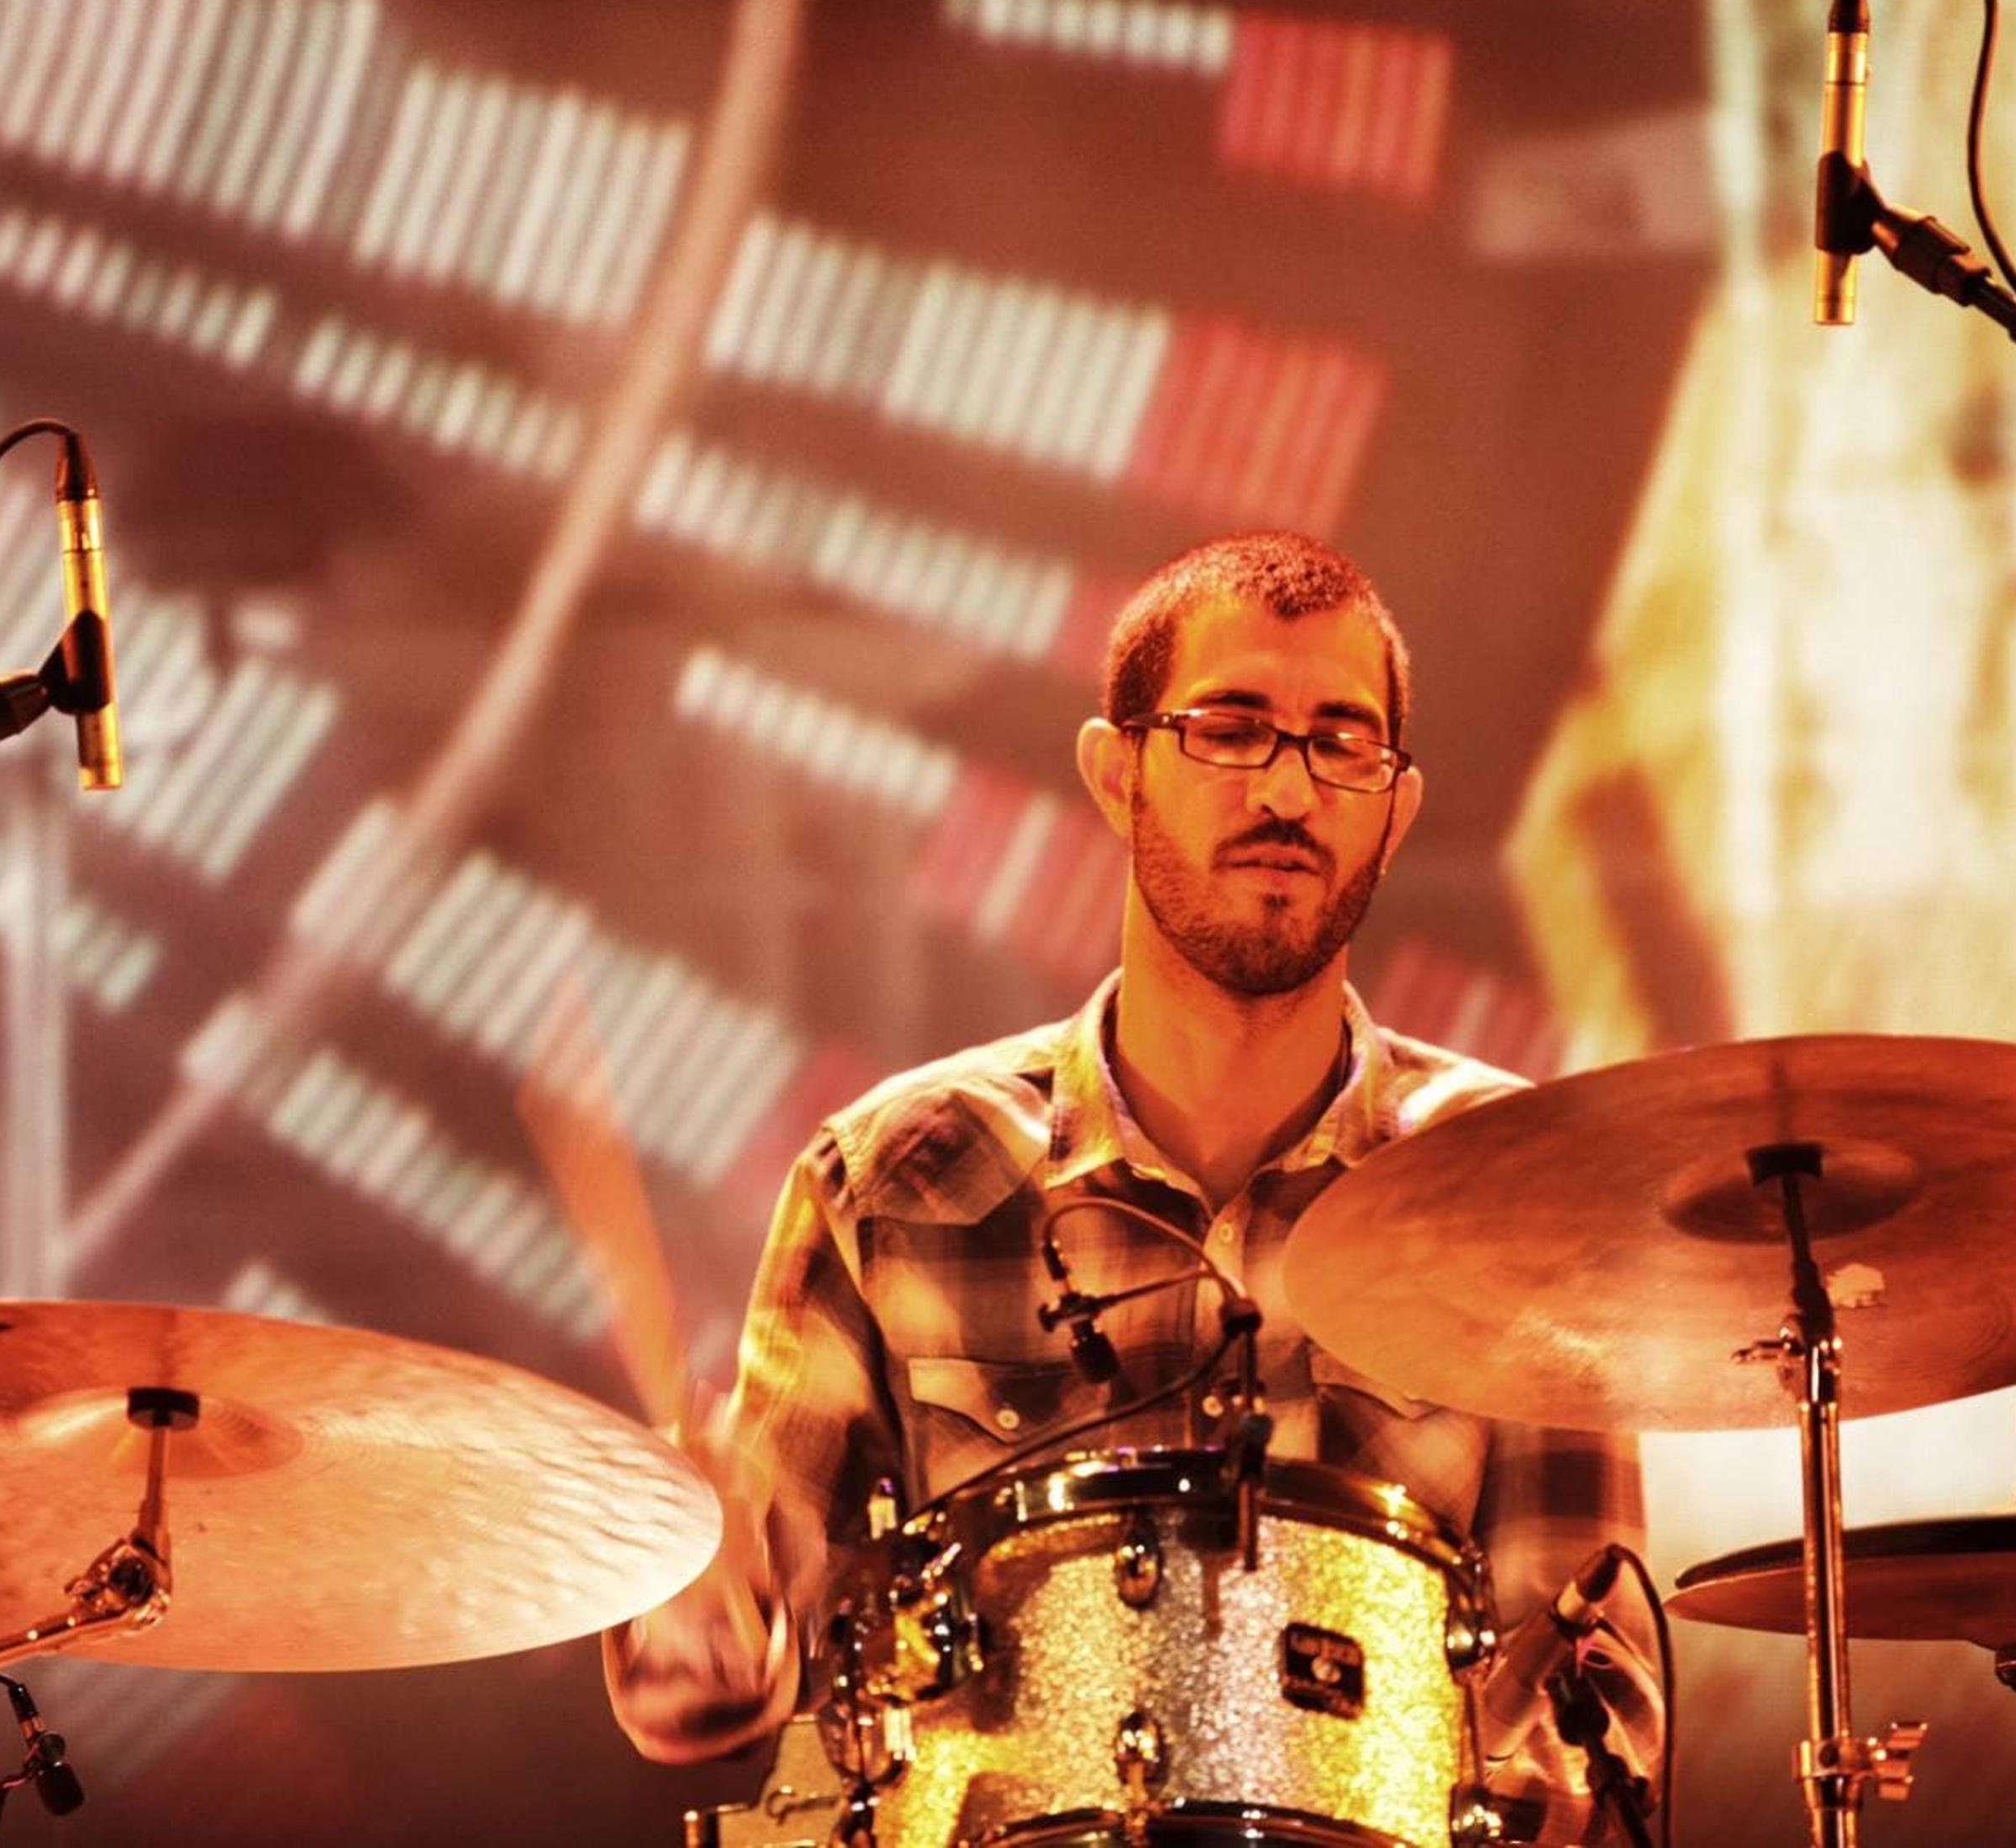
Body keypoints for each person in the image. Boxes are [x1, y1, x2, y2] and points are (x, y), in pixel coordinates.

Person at [604, 531, 1660, 1840]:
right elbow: (725, 1683)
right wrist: (701, 1624)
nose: (1292, 785)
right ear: (1116, 773)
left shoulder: (1514, 1186)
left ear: (1398, 804)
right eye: (1232, 726)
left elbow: (1586, 1712)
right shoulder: (890, 1177)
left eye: (1344, 740)